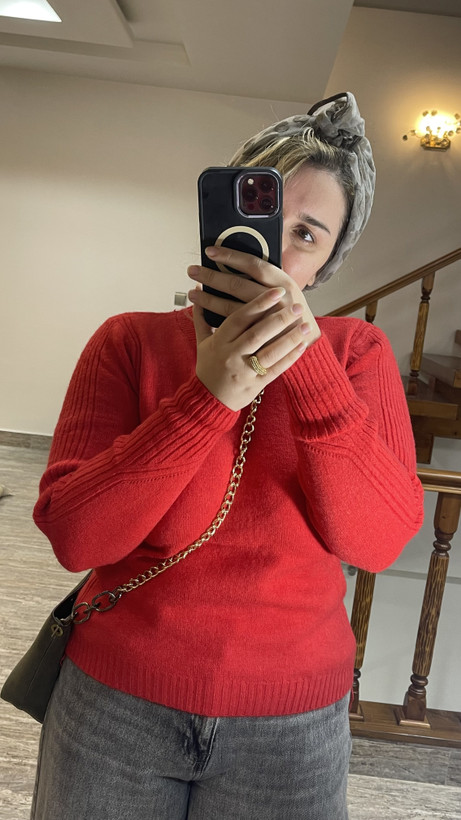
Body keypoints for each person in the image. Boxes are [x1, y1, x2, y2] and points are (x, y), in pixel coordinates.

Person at [30, 92, 424, 820]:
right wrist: (208, 396)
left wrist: (306, 367)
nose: (276, 248)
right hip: (116, 701)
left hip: (291, 725)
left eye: (305, 234)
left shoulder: (355, 354)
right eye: (265, 218)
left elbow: (376, 540)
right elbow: (76, 537)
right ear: (218, 224)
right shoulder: (128, 341)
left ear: (326, 264)